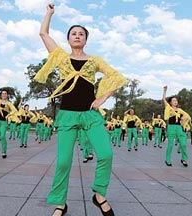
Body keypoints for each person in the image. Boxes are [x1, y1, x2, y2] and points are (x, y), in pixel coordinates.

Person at [34, 4, 128, 216]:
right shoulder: (61, 58)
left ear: (86, 39)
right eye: (74, 33)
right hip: (67, 114)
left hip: (90, 115)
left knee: (106, 154)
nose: (77, 36)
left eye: (81, 34)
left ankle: (99, 195)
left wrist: (102, 98)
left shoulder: (94, 60)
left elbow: (116, 77)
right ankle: (60, 203)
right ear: (68, 39)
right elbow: (43, 33)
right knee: (64, 162)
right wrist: (49, 13)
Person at [162, 86, 191, 167]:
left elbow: (187, 117)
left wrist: (184, 121)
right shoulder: (169, 108)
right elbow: (164, 99)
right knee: (170, 144)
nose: (175, 101)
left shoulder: (180, 110)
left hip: (179, 128)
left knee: (183, 144)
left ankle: (184, 159)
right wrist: (165, 91)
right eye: (173, 100)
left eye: (176, 100)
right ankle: (167, 160)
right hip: (171, 127)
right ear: (170, 102)